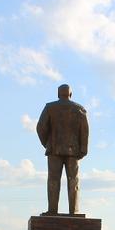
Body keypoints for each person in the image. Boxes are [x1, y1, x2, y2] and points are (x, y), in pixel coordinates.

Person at [37, 83, 89, 215]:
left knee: (53, 179)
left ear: (58, 94)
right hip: (73, 151)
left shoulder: (50, 108)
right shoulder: (79, 109)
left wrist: (47, 143)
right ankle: (74, 211)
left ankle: (52, 210)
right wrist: (83, 148)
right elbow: (85, 131)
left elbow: (40, 127)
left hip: (54, 149)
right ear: (70, 94)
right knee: (73, 180)